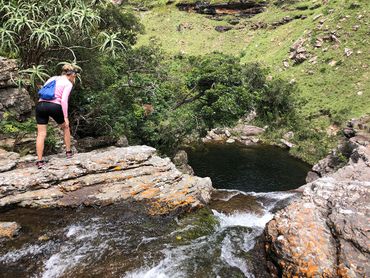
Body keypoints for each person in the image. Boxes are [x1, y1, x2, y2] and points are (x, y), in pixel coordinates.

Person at [35, 64, 78, 168]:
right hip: (55, 106)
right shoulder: (68, 83)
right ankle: (68, 152)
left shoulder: (52, 78)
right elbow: (63, 100)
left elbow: (42, 92)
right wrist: (66, 117)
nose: (75, 78)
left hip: (40, 105)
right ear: (71, 74)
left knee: (41, 134)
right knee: (66, 127)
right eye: (75, 76)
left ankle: (40, 161)